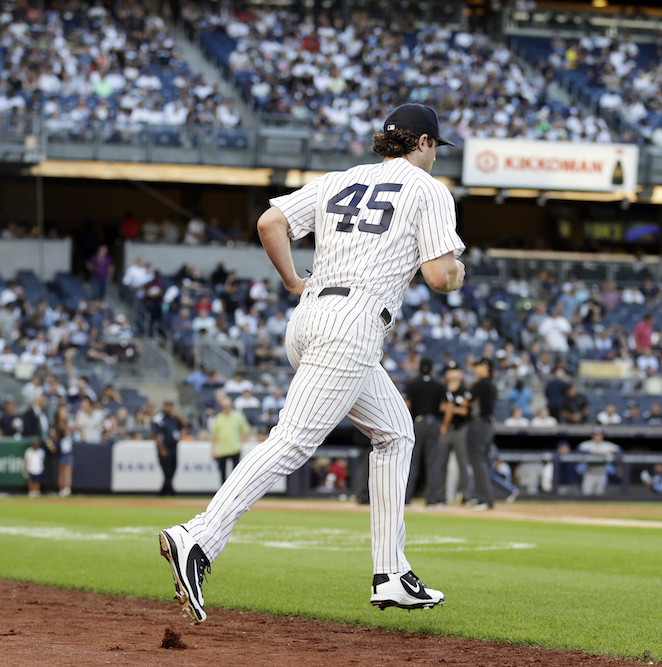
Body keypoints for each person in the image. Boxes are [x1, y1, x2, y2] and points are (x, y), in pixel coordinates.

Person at [158, 103, 463, 622]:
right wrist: (459, 269)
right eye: (436, 147)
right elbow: (438, 276)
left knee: (395, 432)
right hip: (355, 321)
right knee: (292, 441)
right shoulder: (431, 189)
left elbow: (270, 222)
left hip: (311, 316)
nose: (436, 156)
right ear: (424, 143)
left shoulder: (338, 180)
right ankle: (199, 536)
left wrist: (293, 282)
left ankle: (390, 573)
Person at [403, 357, 445, 506]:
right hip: (433, 423)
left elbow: (407, 405)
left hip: (417, 424)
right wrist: (444, 425)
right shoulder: (438, 385)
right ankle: (432, 498)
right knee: (433, 463)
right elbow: (444, 407)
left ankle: (406, 498)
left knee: (412, 462)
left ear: (420, 367)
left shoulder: (413, 384)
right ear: (432, 368)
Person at [435, 361, 472, 505]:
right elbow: (439, 406)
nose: (451, 373)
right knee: (440, 463)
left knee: (463, 463)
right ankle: (440, 496)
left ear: (460, 373)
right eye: (449, 370)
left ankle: (466, 495)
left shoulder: (464, 390)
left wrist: (450, 409)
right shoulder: (442, 389)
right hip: (444, 429)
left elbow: (465, 410)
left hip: (459, 429)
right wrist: (454, 408)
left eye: (454, 370)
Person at [466, 357, 497, 510]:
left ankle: (484, 499)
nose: (476, 369)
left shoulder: (482, 384)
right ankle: (485, 497)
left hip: (479, 424)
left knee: (478, 461)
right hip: (487, 425)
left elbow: (467, 402)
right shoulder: (491, 384)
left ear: (486, 367)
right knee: (482, 462)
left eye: (479, 366)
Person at [209, 394, 249, 485]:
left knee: (236, 473)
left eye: (227, 406)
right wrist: (213, 451)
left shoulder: (238, 416)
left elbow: (245, 430)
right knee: (222, 473)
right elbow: (214, 436)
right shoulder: (218, 418)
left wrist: (241, 442)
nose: (225, 408)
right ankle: (223, 492)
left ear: (231, 406)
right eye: (223, 406)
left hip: (235, 448)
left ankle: (235, 489)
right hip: (222, 450)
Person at [153, 399, 188, 496]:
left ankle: (163, 492)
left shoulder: (174, 418)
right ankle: (171, 492)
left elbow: (184, 425)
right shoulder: (159, 418)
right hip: (165, 448)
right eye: (167, 406)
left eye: (171, 406)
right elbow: (157, 436)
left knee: (173, 469)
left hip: (174, 448)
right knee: (167, 471)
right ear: (164, 406)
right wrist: (162, 449)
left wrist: (177, 416)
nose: (169, 408)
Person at [577, 428, 620, 496]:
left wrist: (608, 452)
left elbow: (619, 450)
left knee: (600, 494)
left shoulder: (607, 445)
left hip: (602, 472)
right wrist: (592, 452)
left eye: (599, 435)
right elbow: (579, 450)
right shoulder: (587, 444)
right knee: (586, 493)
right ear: (593, 436)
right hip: (590, 472)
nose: (598, 437)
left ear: (602, 436)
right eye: (596, 435)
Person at [50, 404, 75, 497]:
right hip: (60, 451)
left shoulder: (69, 423)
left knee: (68, 470)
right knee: (61, 470)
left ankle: (67, 489)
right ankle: (61, 489)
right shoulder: (55, 425)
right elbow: (52, 438)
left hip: (68, 450)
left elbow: (72, 434)